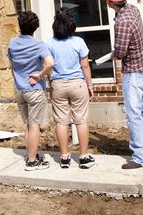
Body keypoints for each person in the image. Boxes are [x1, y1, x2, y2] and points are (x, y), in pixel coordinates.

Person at [82, 0, 143, 169]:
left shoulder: (122, 22)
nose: (106, 1)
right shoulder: (132, 9)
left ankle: (141, 157)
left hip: (134, 72)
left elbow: (120, 52)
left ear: (111, 3)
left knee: (133, 114)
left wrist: (107, 55)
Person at [44, 10, 96, 169]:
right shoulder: (79, 42)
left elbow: (47, 66)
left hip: (58, 84)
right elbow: (85, 65)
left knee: (61, 121)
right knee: (81, 120)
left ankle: (65, 157)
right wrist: (90, 84)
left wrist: (50, 84)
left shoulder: (50, 43)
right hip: (77, 84)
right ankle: (84, 156)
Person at [8, 11, 54, 171]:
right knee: (34, 125)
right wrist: (39, 75)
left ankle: (31, 155)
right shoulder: (39, 45)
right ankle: (32, 161)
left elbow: (12, 65)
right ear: (36, 27)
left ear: (19, 26)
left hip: (19, 89)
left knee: (28, 125)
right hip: (34, 89)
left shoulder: (12, 43)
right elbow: (50, 64)